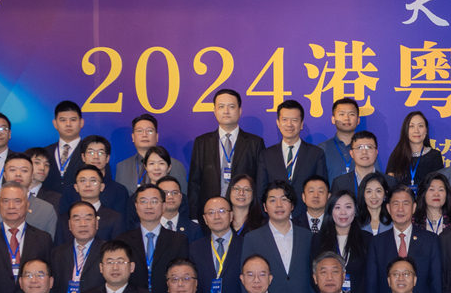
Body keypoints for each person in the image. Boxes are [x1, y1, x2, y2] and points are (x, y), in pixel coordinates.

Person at [188, 88, 265, 224]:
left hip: (244, 216)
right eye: (221, 106)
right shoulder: (202, 142)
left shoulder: (255, 143)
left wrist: (259, 215)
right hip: (212, 215)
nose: (226, 111)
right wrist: (194, 216)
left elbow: (260, 182)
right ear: (214, 111)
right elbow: (194, 182)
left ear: (239, 111)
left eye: (231, 107)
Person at [239, 182, 315, 293]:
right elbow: (246, 278)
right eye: (273, 200)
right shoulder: (252, 238)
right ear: (265, 207)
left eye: (284, 199)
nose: (279, 205)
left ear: (292, 205)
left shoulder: (307, 236)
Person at [368, 187, 442, 293]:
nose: (400, 209)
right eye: (396, 204)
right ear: (388, 208)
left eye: (406, 204)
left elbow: (436, 284)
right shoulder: (377, 243)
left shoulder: (430, 240)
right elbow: (372, 286)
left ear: (414, 207)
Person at [259, 100, 327, 214]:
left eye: (294, 120)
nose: (289, 124)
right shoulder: (266, 155)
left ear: (301, 124)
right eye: (285, 119)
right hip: (276, 216)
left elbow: (321, 190)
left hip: (305, 217)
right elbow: (261, 191)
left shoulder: (316, 154)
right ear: (278, 123)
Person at [0, 154, 59, 236]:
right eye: (13, 170)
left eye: (24, 170)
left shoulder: (46, 209)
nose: (18, 174)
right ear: (4, 175)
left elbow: (49, 241)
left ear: (32, 176)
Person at [114, 114, 189, 193]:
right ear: (133, 137)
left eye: (149, 131)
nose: (144, 135)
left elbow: (182, 196)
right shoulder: (122, 167)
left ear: (157, 136)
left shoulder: (175, 165)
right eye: (140, 131)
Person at [386, 111, 446, 193]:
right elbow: (390, 187)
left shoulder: (435, 155)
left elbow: (439, 186)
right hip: (402, 201)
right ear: (406, 130)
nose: (416, 130)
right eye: (412, 126)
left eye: (420, 126)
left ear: (426, 130)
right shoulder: (397, 155)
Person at [313, 98, 363, 188]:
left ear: (358, 120)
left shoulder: (365, 148)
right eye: (342, 114)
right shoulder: (321, 149)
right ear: (333, 119)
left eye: (351, 114)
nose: (347, 118)